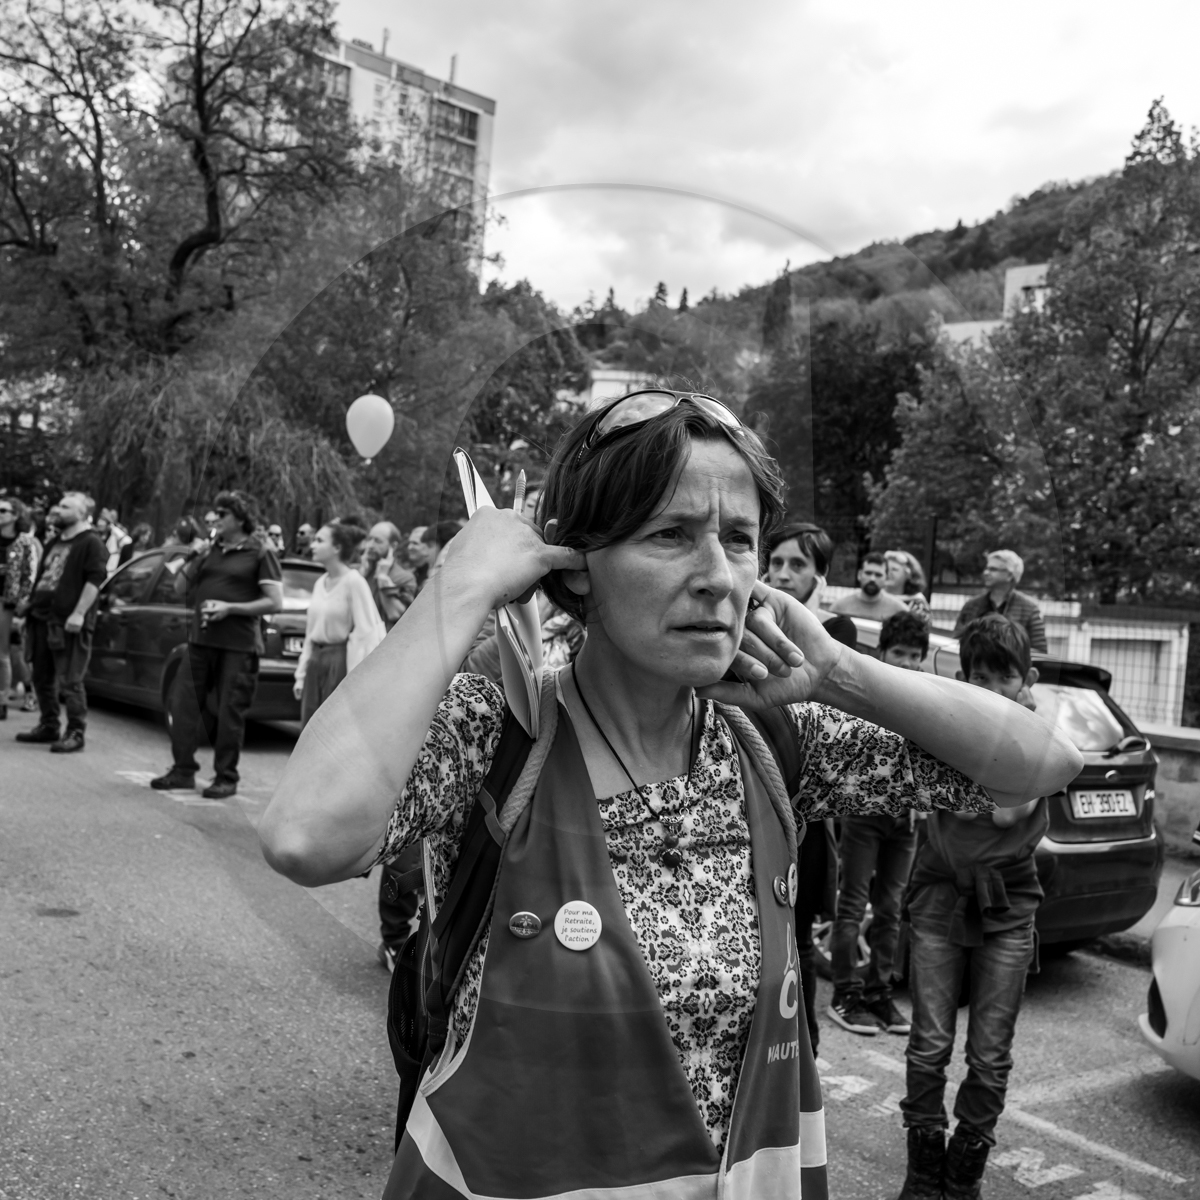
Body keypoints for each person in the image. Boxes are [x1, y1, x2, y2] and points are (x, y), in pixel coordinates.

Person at [258, 387, 1080, 1198]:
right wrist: (457, 589)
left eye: (740, 538)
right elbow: (305, 835)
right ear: (574, 571)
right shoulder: (499, 734)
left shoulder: (771, 742)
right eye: (671, 535)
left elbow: (1041, 762)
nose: (718, 577)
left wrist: (842, 674)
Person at [896, 615, 1049, 1200]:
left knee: (988, 1056)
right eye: (977, 677)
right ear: (963, 676)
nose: (989, 689)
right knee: (929, 1044)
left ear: (1025, 679)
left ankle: (964, 1178)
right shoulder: (947, 725)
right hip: (938, 900)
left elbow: (1009, 814)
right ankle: (922, 1171)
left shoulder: (1036, 734)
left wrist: (1014, 725)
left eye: (1003, 678)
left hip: (1007, 912)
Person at [826, 610, 931, 1038]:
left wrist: (919, 800)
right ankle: (845, 994)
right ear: (882, 652)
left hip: (905, 821)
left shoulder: (926, 697)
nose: (906, 662)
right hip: (864, 816)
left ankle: (878, 994)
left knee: (890, 909)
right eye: (899, 653)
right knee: (852, 903)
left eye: (914, 655)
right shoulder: (869, 691)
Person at [152, 491, 282, 799]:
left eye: (222, 514)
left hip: (238, 646)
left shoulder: (260, 552)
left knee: (229, 713)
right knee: (183, 704)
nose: (215, 519)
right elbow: (180, 586)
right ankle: (183, 770)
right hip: (200, 641)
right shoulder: (210, 550)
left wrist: (230, 609)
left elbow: (274, 602)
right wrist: (195, 555)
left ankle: (226, 776)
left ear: (239, 518)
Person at [14, 493, 107, 752]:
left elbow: (94, 580)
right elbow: (46, 578)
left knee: (70, 679)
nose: (58, 509)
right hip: (42, 619)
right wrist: (29, 608)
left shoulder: (91, 543)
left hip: (68, 623)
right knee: (42, 676)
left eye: (66, 507)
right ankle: (49, 725)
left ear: (82, 512)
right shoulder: (56, 541)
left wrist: (79, 613)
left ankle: (76, 731)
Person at [293, 523, 385, 725]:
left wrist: (356, 680)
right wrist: (301, 674)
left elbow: (367, 632)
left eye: (319, 540)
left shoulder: (354, 581)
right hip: (315, 662)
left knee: (331, 727)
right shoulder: (320, 583)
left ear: (337, 548)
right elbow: (310, 634)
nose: (313, 545)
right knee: (308, 727)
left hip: (339, 662)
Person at [764, 523, 857, 649]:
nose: (783, 575)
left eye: (797, 564)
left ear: (821, 572)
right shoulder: (751, 617)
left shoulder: (840, 627)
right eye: (777, 563)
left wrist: (808, 618)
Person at [953, 550, 1047, 653]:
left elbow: (1039, 651)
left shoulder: (1029, 609)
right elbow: (956, 641)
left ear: (1010, 576)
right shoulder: (971, 606)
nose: (986, 573)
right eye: (987, 568)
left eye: (993, 569)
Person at [1, 499, 39, 719]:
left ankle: (5, 698)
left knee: (8, 652)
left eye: (3, 510)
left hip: (8, 603)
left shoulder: (25, 542)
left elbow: (29, 577)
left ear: (15, 515)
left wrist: (21, 608)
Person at [360, 521, 418, 630]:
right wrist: (361, 575)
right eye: (369, 539)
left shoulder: (405, 578)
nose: (370, 545)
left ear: (393, 546)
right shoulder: (359, 571)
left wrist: (382, 578)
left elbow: (394, 614)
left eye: (378, 541)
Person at [830, 551, 910, 621]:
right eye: (868, 573)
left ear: (886, 578)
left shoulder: (900, 611)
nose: (872, 579)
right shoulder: (839, 608)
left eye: (878, 575)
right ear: (859, 575)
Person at [884, 549, 932, 620]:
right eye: (886, 569)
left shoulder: (916, 603)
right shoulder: (871, 595)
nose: (888, 573)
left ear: (908, 574)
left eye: (894, 569)